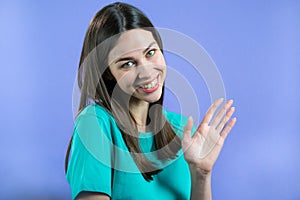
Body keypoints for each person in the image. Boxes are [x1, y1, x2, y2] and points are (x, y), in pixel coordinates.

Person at [65, 2, 236, 200]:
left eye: (151, 53)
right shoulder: (95, 123)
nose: (146, 72)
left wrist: (201, 174)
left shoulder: (181, 129)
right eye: (128, 64)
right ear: (108, 74)